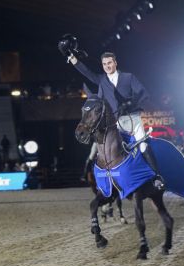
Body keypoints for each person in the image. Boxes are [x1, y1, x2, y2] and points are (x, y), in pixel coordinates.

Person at [67, 51, 164, 190]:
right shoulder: (102, 80)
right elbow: (87, 72)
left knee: (143, 146)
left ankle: (156, 177)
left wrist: (131, 103)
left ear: (115, 63)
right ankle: (108, 180)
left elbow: (142, 92)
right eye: (104, 64)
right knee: (104, 148)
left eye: (109, 63)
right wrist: (72, 57)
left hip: (133, 121)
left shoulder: (128, 77)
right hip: (115, 122)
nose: (107, 66)